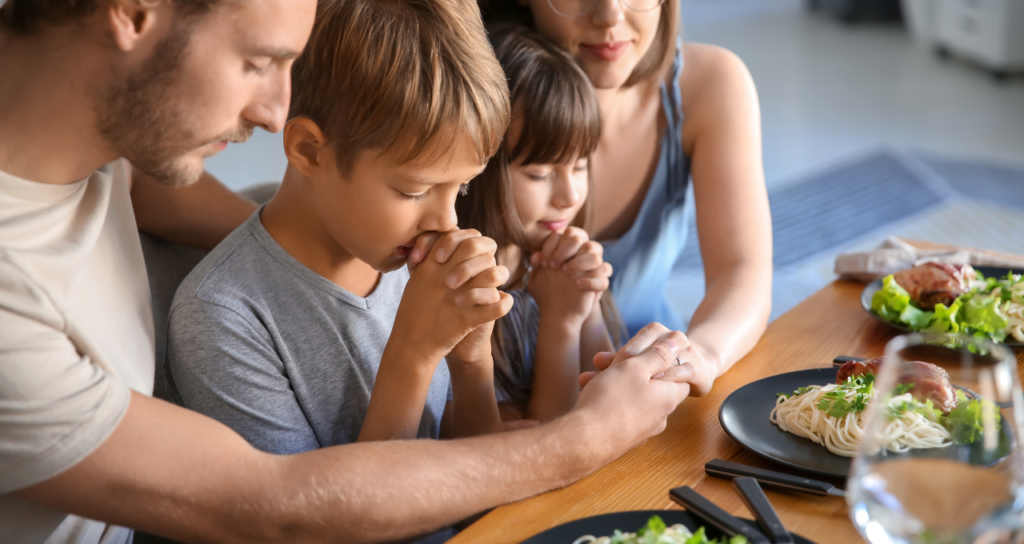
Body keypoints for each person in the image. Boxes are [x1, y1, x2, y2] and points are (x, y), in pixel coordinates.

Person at [0, 1, 693, 543]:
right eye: (258, 60)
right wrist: (583, 439)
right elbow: (273, 511)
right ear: (131, 11)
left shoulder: (86, 130)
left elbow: (157, 188)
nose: (276, 111)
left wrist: (336, 253)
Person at [165, 4, 521, 539]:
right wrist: (413, 354)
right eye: (414, 190)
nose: (446, 220)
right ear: (309, 150)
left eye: (462, 188)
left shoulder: (403, 253)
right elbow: (324, 530)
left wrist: (471, 364)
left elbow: (472, 490)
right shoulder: (222, 318)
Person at [479, 0, 774, 397]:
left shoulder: (709, 82)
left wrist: (697, 355)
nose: (610, 17)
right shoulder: (475, 96)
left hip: (660, 379)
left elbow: (742, 272)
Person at [456, 25, 624, 424]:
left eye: (580, 166)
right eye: (540, 174)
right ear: (477, 170)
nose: (569, 196)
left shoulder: (555, 259)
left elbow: (610, 402)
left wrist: (587, 303)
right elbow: (551, 439)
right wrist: (562, 322)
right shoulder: (466, 294)